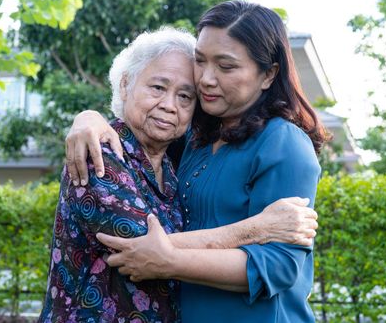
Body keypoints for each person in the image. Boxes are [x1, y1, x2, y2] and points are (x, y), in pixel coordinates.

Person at [39, 26, 319, 323]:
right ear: (124, 85)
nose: (170, 106)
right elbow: (145, 246)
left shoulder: (178, 157)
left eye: (186, 96)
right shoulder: (100, 154)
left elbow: (278, 264)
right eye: (157, 88)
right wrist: (256, 229)